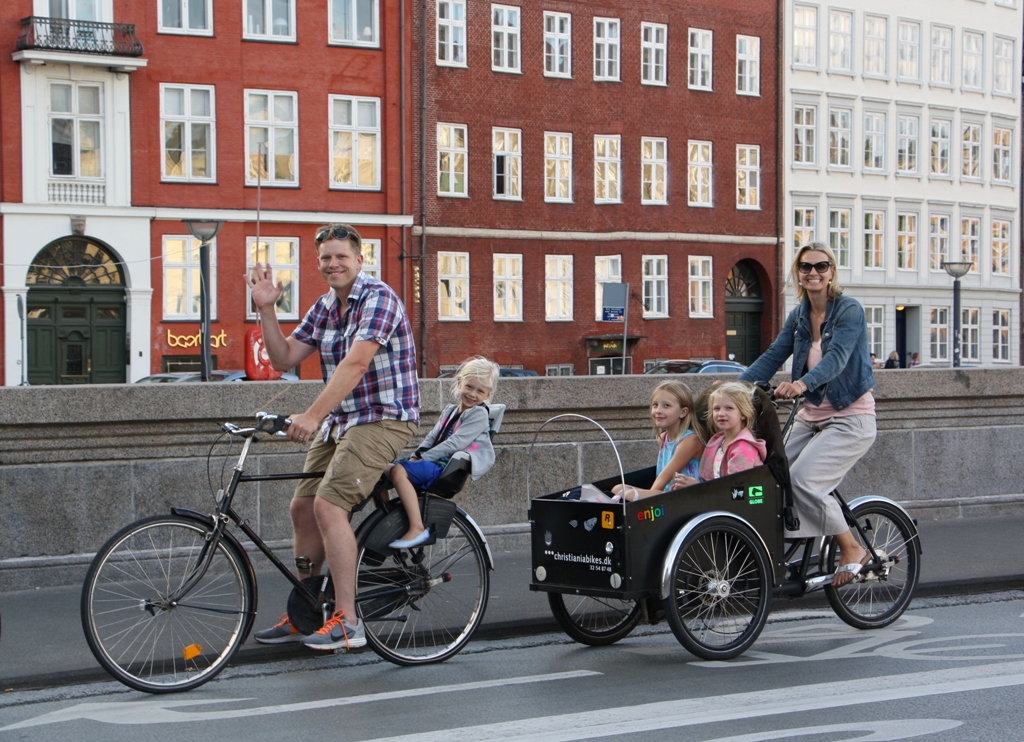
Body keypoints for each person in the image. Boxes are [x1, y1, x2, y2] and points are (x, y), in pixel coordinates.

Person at [246, 223, 420, 651]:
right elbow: (283, 357)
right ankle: (306, 607)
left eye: (341, 256)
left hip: (384, 418)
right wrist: (266, 309)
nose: (332, 264)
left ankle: (348, 620)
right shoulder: (325, 306)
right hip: (342, 420)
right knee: (302, 507)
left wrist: (310, 415)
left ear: (360, 260)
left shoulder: (378, 298)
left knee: (328, 505)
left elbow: (357, 364)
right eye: (325, 257)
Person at [739, 241, 876, 587]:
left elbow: (837, 359)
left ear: (831, 272)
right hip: (811, 417)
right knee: (771, 474)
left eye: (821, 266)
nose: (813, 272)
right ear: (797, 274)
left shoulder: (849, 311)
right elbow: (774, 354)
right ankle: (783, 543)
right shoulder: (799, 314)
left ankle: (851, 547)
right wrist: (733, 390)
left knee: (803, 481)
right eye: (805, 267)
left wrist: (801, 384)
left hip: (850, 418)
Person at [386, 357, 499, 548]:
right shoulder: (450, 411)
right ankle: (385, 521)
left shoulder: (479, 414)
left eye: (480, 391)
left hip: (445, 467)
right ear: (459, 383)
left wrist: (422, 459)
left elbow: (455, 443)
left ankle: (416, 527)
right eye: (469, 387)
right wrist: (416, 455)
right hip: (430, 462)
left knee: (397, 471)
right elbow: (432, 437)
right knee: (382, 469)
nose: (472, 394)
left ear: (488, 394)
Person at [612, 380, 704, 502]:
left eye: (666, 406)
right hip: (664, 493)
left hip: (681, 497)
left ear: (683, 412)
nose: (658, 411)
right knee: (617, 488)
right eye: (655, 405)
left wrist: (644, 497)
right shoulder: (663, 438)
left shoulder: (690, 440)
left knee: (629, 494)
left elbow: (663, 479)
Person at [674, 381, 766, 485]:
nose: (721, 413)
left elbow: (736, 488)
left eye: (729, 408)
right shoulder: (719, 441)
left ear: (743, 413)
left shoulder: (743, 448)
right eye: (716, 408)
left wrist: (697, 487)